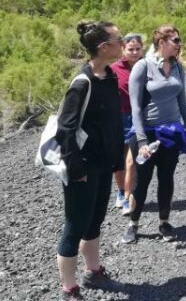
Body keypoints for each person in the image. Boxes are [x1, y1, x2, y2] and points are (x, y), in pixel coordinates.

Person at [56, 21, 124, 300]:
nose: (122, 43)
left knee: (95, 220)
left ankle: (93, 271)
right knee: (75, 226)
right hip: (82, 166)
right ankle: (69, 288)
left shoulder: (109, 77)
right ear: (103, 47)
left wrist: (117, 160)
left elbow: (112, 123)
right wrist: (76, 169)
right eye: (118, 40)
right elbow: (65, 129)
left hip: (102, 163)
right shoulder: (82, 83)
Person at [122, 25, 186, 244]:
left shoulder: (177, 68)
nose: (178, 44)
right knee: (142, 181)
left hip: (172, 133)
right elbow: (135, 107)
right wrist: (142, 139)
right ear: (161, 42)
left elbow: (183, 102)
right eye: (175, 40)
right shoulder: (143, 67)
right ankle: (133, 224)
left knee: (166, 179)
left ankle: (164, 222)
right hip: (147, 133)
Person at [109, 33, 144, 215]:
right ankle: (121, 191)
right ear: (123, 48)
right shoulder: (113, 69)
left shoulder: (147, 66)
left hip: (139, 118)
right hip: (118, 118)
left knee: (132, 160)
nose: (134, 52)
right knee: (118, 160)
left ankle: (130, 194)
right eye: (131, 49)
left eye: (138, 48)